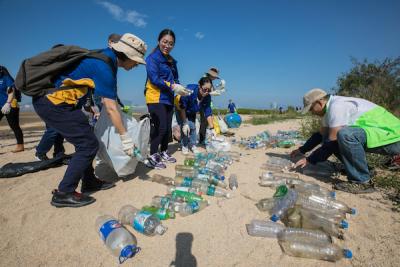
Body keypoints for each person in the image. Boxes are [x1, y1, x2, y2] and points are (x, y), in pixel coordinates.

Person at [32, 33, 148, 207]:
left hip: (62, 104)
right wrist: (126, 139)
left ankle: (89, 181)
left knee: (87, 141)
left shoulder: (106, 59)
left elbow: (110, 100)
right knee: (87, 144)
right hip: (53, 103)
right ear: (127, 55)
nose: (136, 65)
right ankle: (64, 192)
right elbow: (109, 106)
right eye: (136, 61)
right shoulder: (104, 66)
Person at [291, 88, 400, 194]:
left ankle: (362, 182)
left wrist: (310, 160)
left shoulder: (337, 106)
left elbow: (332, 142)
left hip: (393, 138)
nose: (311, 112)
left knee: (344, 135)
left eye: (311, 109)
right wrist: (302, 150)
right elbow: (321, 135)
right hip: (381, 135)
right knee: (333, 136)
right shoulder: (327, 112)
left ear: (319, 102)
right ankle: (366, 170)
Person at [144, 29, 191, 169]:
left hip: (169, 98)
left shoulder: (172, 61)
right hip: (155, 97)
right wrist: (173, 87)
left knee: (167, 128)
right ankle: (152, 155)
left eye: (171, 43)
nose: (167, 45)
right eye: (165, 42)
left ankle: (163, 151)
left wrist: (180, 90)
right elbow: (154, 79)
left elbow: (176, 79)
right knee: (160, 126)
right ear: (159, 41)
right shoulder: (152, 58)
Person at [175, 77, 215, 155]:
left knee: (193, 127)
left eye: (209, 90)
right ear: (199, 86)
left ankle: (193, 145)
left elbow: (208, 111)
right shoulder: (189, 91)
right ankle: (185, 145)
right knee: (186, 127)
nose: (207, 92)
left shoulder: (207, 96)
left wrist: (212, 128)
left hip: (192, 111)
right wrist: (185, 122)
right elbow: (182, 107)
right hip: (181, 109)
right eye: (205, 89)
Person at [0, 66, 24, 152]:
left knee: (14, 126)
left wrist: (8, 103)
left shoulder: (6, 78)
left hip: (10, 105)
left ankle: (20, 145)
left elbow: (11, 91)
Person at [199, 67, 220, 145]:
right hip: (203, 103)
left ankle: (204, 138)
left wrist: (218, 90)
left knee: (206, 121)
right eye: (214, 77)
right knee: (204, 121)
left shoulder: (209, 80)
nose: (215, 79)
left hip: (207, 103)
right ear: (211, 75)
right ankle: (202, 140)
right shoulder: (204, 80)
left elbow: (212, 90)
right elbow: (202, 91)